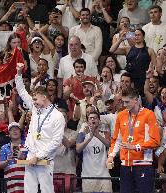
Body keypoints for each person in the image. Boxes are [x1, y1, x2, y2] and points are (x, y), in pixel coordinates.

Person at [15, 62, 65, 193]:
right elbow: (21, 90)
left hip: (45, 159)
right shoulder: (34, 107)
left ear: (44, 97)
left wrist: (39, 156)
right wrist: (19, 73)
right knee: (29, 191)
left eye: (36, 99)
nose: (34, 102)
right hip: (31, 156)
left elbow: (56, 141)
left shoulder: (57, 116)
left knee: (46, 191)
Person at [107, 88, 160, 193]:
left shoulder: (148, 115)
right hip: (125, 165)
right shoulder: (121, 116)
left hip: (143, 164)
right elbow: (117, 140)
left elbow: (155, 141)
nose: (125, 105)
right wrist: (111, 156)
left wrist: (135, 147)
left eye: (127, 102)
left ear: (135, 100)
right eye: (123, 102)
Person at [76, 111, 112, 192]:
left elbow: (109, 144)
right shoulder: (82, 134)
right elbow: (78, 149)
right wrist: (89, 138)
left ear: (99, 121)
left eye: (95, 118)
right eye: (90, 118)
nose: (92, 119)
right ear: (88, 121)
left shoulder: (105, 133)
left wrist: (97, 135)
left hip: (104, 175)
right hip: (88, 176)